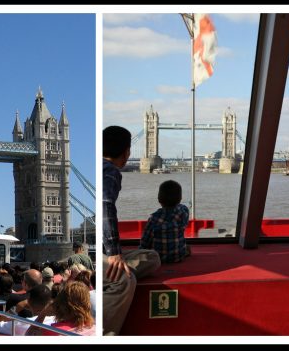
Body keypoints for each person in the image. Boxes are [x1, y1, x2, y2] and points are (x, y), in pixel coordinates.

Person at [102, 126, 162, 336]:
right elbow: (105, 205)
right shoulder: (109, 170)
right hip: (102, 253)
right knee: (125, 280)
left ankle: (102, 282)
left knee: (152, 257)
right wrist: (114, 253)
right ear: (127, 152)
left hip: (104, 251)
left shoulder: (105, 168)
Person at [140, 180, 191, 264]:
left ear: (159, 199)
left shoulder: (153, 219)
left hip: (157, 259)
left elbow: (145, 242)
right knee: (187, 248)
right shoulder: (183, 212)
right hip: (178, 257)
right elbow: (183, 213)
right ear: (180, 199)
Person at [28, 281, 96, 336]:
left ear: (61, 303)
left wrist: (43, 314)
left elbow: (28, 336)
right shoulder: (94, 328)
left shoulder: (54, 332)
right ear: (87, 303)